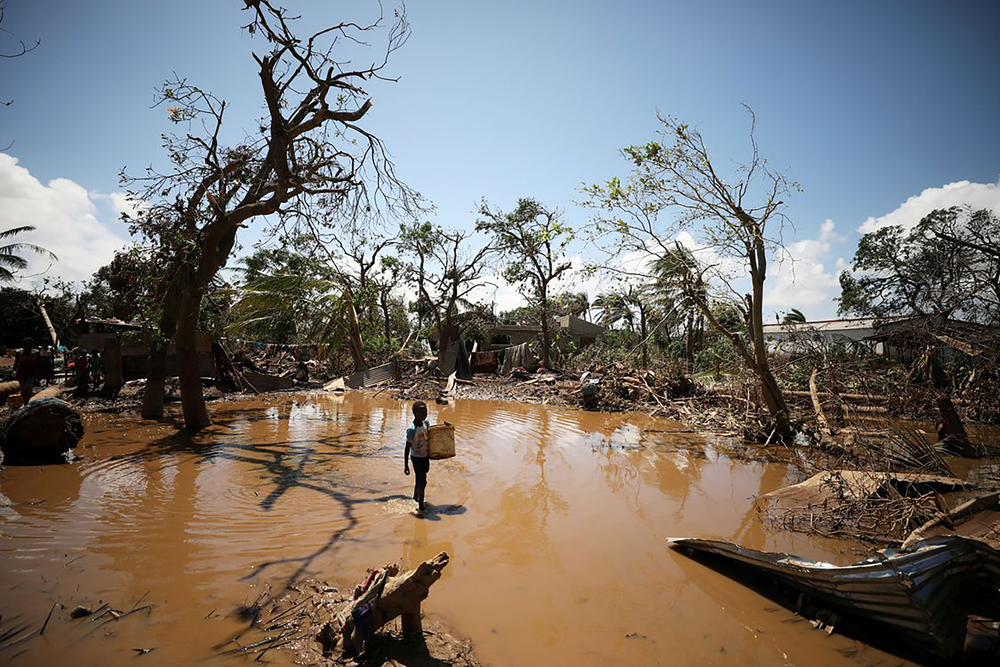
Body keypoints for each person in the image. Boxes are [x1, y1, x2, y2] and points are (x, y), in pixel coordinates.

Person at [403, 401, 431, 512]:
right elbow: (407, 447)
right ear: (415, 413)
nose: (425, 414)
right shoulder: (411, 429)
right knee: (423, 482)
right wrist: (406, 465)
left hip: (425, 456)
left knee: (421, 477)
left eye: (426, 411)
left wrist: (447, 426)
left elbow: (432, 436)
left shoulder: (426, 423)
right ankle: (421, 507)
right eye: (422, 412)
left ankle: (415, 496)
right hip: (416, 458)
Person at [13, 337, 40, 404]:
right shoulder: (19, 352)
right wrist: (13, 370)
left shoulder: (36, 353)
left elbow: (38, 363)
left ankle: (28, 401)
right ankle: (26, 402)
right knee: (23, 389)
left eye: (28, 344)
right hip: (21, 372)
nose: (27, 346)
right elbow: (16, 362)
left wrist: (39, 373)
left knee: (27, 387)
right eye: (25, 344)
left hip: (32, 372)